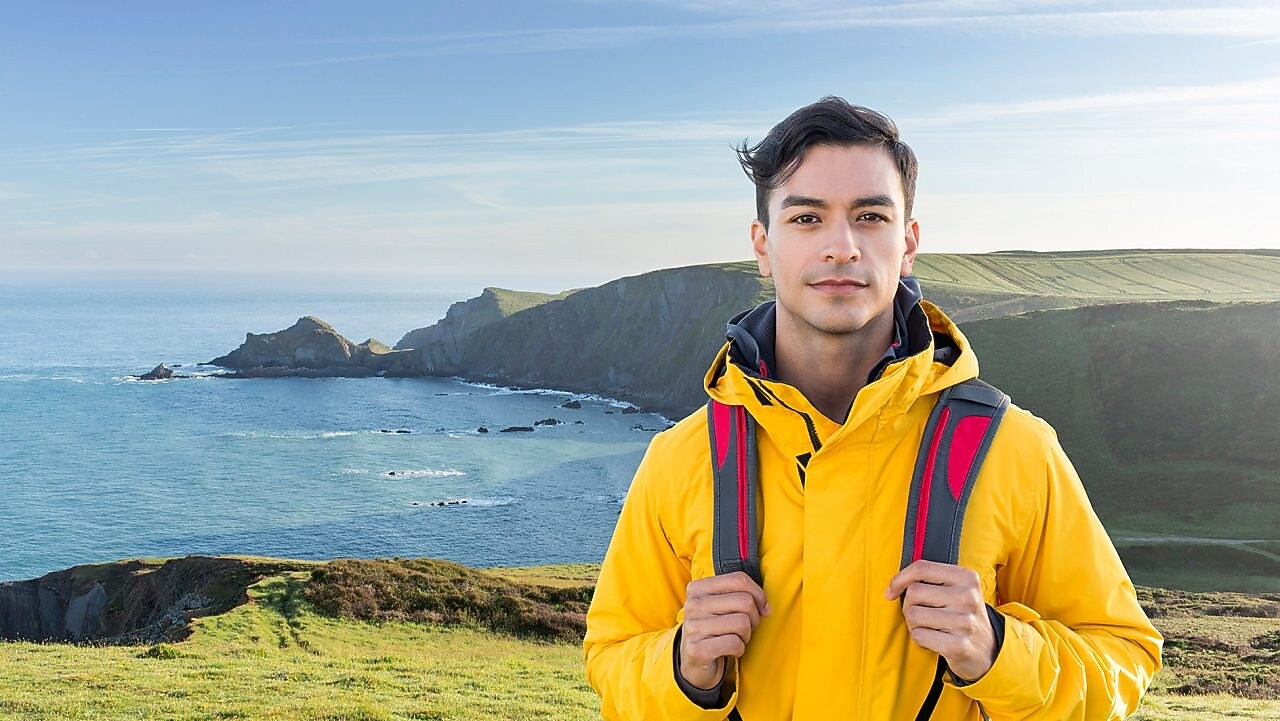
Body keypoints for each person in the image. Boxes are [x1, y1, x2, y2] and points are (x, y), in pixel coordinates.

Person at [582, 97, 1162, 720]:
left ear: (908, 241)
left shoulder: (1016, 449)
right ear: (762, 244)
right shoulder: (680, 458)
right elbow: (612, 656)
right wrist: (682, 668)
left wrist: (999, 650)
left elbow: (1122, 659)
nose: (842, 246)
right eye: (806, 218)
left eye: (870, 216)